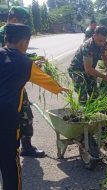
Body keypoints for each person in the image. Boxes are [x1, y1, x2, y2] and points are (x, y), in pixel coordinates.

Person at [0, 23, 68, 190]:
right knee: (10, 164)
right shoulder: (25, 63)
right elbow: (45, 80)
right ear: (24, 42)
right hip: (7, 120)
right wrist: (60, 88)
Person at [0, 6, 46, 157]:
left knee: (26, 114)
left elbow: (17, 54)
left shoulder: (10, 32)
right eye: (22, 21)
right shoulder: (4, 34)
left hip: (13, 84)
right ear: (15, 19)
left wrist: (30, 61)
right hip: (6, 86)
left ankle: (25, 146)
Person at [68, 26, 107, 103]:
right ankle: (82, 113)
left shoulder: (104, 44)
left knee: (94, 94)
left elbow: (105, 57)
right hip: (77, 71)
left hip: (89, 69)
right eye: (100, 41)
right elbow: (88, 69)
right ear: (94, 36)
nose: (102, 43)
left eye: (104, 40)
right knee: (83, 95)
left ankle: (93, 113)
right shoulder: (88, 46)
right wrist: (104, 76)